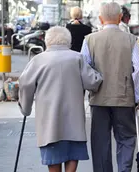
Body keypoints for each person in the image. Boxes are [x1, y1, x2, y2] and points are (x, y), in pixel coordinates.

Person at [18, 26, 103, 172]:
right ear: (68, 41)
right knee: (72, 153)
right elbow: (92, 82)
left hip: (50, 120)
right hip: (73, 119)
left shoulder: (38, 60)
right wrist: (100, 75)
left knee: (53, 156)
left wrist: (25, 108)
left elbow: (25, 83)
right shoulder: (77, 58)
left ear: (47, 41)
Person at [81, 2, 139, 172]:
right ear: (120, 18)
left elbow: (84, 69)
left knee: (100, 142)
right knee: (126, 138)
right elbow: (138, 69)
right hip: (124, 98)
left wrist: (93, 86)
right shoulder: (130, 39)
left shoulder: (89, 40)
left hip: (99, 99)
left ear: (100, 18)